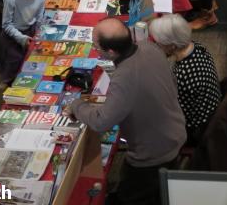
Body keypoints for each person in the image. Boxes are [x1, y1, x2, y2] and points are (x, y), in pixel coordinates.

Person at [65, 18, 187, 205]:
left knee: (131, 196)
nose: (95, 50)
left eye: (96, 47)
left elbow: (101, 122)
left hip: (152, 156)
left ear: (111, 52)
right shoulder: (150, 48)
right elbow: (171, 85)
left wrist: (77, 105)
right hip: (175, 133)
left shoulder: (124, 78)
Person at [147, 13, 221, 143]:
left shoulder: (182, 75)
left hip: (197, 128)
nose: (158, 47)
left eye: (160, 44)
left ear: (173, 46)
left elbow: (176, 114)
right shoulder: (198, 47)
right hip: (211, 112)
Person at [0, 0, 47, 83]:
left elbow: (39, 18)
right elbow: (6, 25)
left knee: (27, 63)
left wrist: (39, 33)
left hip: (29, 32)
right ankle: (10, 86)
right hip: (12, 37)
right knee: (12, 66)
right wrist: (21, 38)